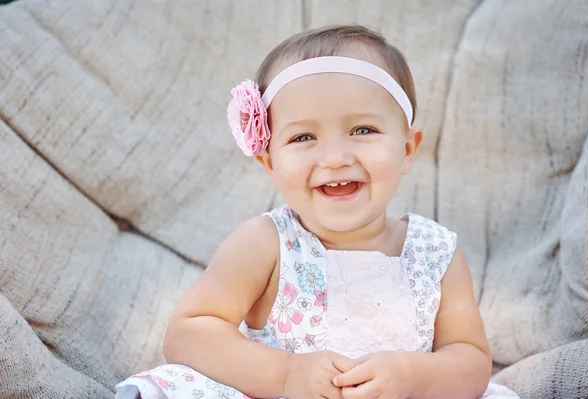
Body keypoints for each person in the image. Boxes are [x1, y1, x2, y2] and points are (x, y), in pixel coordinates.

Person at [115, 25, 521, 399]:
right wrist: (286, 372)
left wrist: (414, 375)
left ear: (408, 149)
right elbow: (188, 333)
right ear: (269, 162)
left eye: (363, 130)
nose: (336, 157)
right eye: (303, 136)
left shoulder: (435, 254)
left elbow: (470, 359)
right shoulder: (267, 243)